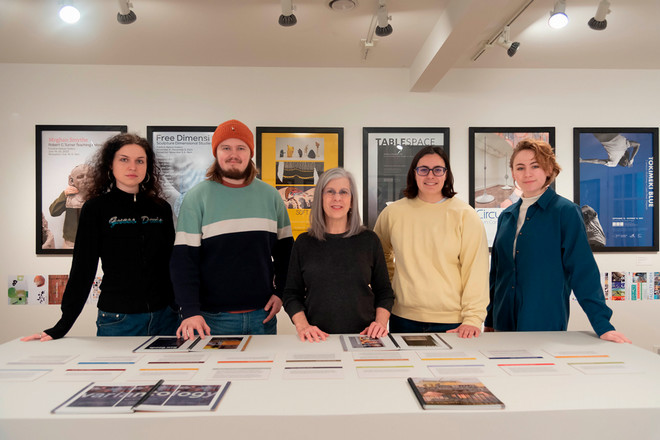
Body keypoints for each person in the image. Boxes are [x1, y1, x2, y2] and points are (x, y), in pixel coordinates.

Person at [22, 134, 179, 341]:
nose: (132, 167)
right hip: (119, 319)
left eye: (140, 161)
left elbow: (173, 263)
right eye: (124, 159)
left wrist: (180, 307)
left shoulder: (161, 208)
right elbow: (82, 268)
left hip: (166, 318)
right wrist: (63, 325)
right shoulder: (96, 209)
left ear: (147, 166)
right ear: (110, 165)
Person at [485, 138, 630, 343]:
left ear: (549, 170)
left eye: (535, 166)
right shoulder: (506, 216)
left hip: (544, 322)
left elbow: (582, 270)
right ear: (513, 173)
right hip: (503, 321)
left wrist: (602, 324)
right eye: (520, 167)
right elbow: (497, 274)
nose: (527, 173)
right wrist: (490, 318)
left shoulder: (566, 212)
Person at [171, 119, 293, 339]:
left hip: (262, 316)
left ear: (250, 153)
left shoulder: (270, 196)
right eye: (226, 147)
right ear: (216, 153)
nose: (233, 154)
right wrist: (189, 310)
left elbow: (286, 254)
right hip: (212, 319)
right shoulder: (197, 197)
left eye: (241, 147)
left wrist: (280, 292)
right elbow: (183, 261)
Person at [373, 146, 489, 338]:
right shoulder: (392, 213)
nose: (430, 176)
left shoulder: (465, 215)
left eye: (438, 170)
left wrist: (473, 319)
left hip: (453, 321)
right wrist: (394, 284)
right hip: (402, 318)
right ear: (414, 173)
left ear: (446, 174)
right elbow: (378, 257)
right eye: (423, 169)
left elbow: (475, 270)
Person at [283, 168, 394, 342]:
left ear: (352, 200)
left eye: (344, 192)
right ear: (320, 198)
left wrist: (380, 323)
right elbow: (291, 294)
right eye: (330, 192)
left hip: (364, 337)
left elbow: (385, 292)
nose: (337, 198)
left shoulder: (369, 240)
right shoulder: (304, 243)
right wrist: (303, 326)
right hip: (317, 339)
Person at [49, 163, 93, 248]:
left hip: (92, 241)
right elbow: (53, 212)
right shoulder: (68, 195)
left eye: (89, 176)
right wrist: (64, 195)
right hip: (71, 243)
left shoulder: (98, 196)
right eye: (80, 177)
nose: (86, 179)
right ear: (71, 180)